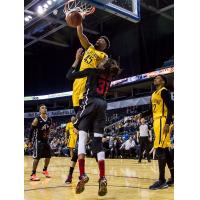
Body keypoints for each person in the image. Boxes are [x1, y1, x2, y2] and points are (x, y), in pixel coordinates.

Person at [66, 48, 120, 196]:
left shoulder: (92, 71)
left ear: (102, 64)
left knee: (82, 139)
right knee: (97, 144)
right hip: (103, 105)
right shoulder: (109, 76)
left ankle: (82, 174)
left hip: (90, 102)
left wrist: (77, 59)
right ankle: (102, 177)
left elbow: (69, 75)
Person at [136, 75, 174, 190]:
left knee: (159, 149)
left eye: (157, 78)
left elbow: (171, 108)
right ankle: (174, 177)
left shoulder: (164, 91)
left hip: (163, 121)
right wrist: (142, 115)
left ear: (162, 81)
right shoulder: (153, 94)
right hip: (157, 122)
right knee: (165, 150)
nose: (155, 79)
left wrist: (168, 123)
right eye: (155, 78)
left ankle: (162, 180)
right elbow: (151, 111)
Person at [72, 21, 110, 113]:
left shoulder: (103, 55)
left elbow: (101, 66)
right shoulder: (90, 47)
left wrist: (101, 65)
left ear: (104, 46)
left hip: (87, 80)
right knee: (76, 110)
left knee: (83, 109)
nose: (98, 40)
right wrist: (79, 20)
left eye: (101, 40)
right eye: (98, 39)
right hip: (78, 80)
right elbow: (80, 34)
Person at [28, 104, 52, 181]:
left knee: (48, 156)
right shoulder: (37, 119)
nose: (44, 109)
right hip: (37, 140)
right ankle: (33, 174)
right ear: (40, 111)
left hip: (45, 140)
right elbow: (31, 131)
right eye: (42, 108)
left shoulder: (49, 119)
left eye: (45, 108)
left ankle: (45, 170)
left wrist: (48, 136)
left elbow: (49, 129)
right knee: (37, 158)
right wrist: (30, 141)